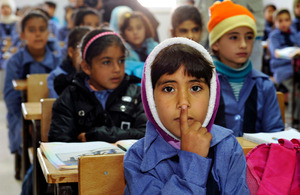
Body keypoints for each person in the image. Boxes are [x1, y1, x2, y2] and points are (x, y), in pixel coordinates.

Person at [123, 37, 249, 194]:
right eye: (169, 89)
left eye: (195, 88)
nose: (183, 103)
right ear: (150, 97)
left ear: (212, 95)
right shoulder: (138, 159)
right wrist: (193, 160)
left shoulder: (228, 146)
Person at [48, 29, 147, 142]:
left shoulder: (136, 94)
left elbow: (146, 135)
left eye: (121, 60)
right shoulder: (70, 97)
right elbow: (59, 143)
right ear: (86, 67)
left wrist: (99, 135)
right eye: (106, 62)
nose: (117, 69)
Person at [207, 1, 284, 136]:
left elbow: (274, 134)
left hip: (256, 156)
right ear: (215, 44)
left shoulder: (264, 85)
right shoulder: (205, 83)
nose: (243, 44)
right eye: (234, 37)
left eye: (249, 37)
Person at [3, 10, 60, 179]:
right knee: (23, 132)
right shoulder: (15, 62)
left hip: (49, 112)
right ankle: (28, 172)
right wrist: (24, 120)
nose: (38, 34)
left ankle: (48, 173)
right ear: (22, 35)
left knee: (57, 132)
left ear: (48, 33)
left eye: (42, 29)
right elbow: (10, 96)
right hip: (20, 114)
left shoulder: (56, 61)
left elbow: (60, 92)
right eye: (32, 30)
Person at [268, 9, 300, 128]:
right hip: (282, 70)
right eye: (280, 20)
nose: (284, 23)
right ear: (275, 22)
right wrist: (292, 54)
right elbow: (277, 53)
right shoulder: (274, 36)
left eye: (287, 20)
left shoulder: (294, 34)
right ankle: (294, 120)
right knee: (296, 89)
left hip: (294, 68)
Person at [47, 26, 91, 98]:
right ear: (71, 52)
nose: (88, 57)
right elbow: (56, 104)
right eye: (83, 51)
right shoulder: (56, 76)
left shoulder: (96, 76)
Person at [119, 11, 158, 79]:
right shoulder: (122, 52)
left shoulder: (156, 48)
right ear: (124, 32)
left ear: (146, 29)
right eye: (130, 29)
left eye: (139, 28)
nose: (135, 32)